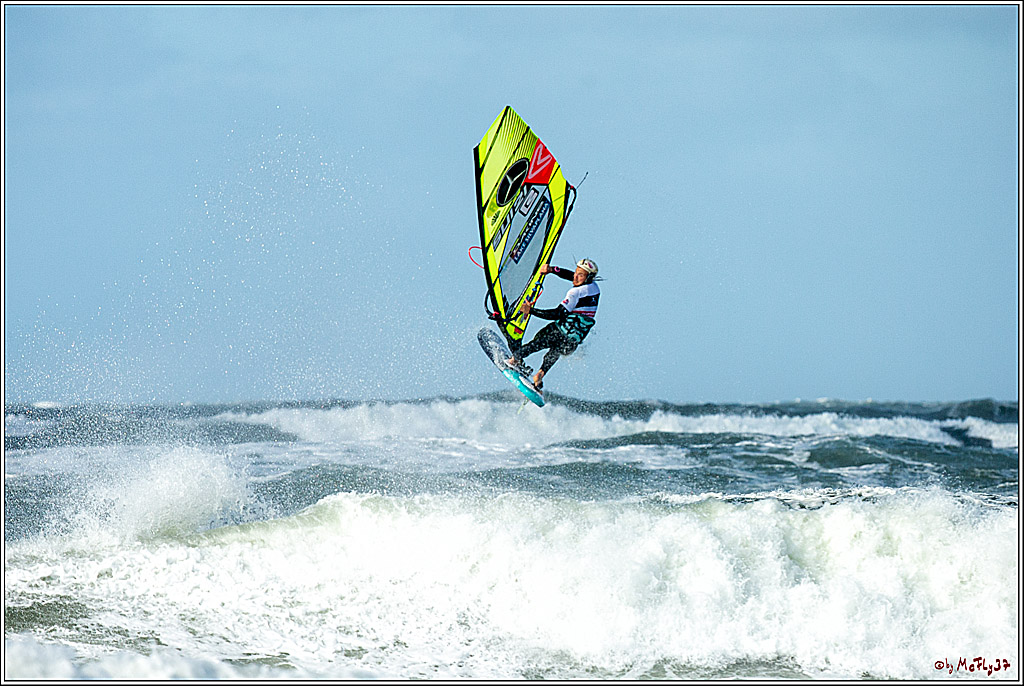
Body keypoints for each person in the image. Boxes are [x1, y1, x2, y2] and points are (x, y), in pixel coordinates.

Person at [507, 258, 600, 390]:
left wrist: (531, 310)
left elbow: (557, 314)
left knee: (539, 341)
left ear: (587, 277)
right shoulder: (594, 287)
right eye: (576, 273)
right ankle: (540, 375)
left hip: (562, 332)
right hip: (573, 342)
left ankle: (514, 359)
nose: (576, 277)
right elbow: (572, 276)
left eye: (581, 275)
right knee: (555, 350)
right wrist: (552, 269)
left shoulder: (575, 293)